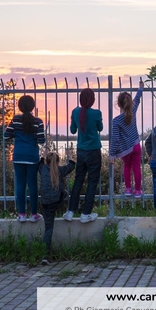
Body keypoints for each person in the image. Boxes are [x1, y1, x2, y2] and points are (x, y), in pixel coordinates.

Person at [63, 88, 103, 224]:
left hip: (81, 151)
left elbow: (73, 130)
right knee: (92, 182)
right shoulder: (97, 113)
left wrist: (72, 119)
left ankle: (70, 212)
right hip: (94, 152)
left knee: (78, 180)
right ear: (92, 100)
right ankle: (86, 213)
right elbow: (100, 128)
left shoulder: (75, 112)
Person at [4, 95, 46, 222]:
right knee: (32, 184)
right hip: (32, 156)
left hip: (18, 155)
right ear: (33, 106)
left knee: (20, 185)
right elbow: (41, 141)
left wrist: (16, 135)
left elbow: (6, 136)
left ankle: (21, 214)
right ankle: (34, 214)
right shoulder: (38, 122)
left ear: (20, 106)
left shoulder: (15, 120)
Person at [38, 148, 76, 264]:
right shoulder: (60, 170)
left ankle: (45, 255)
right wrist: (69, 156)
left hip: (45, 203)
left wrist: (43, 156)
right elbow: (72, 166)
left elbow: (39, 163)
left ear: (47, 162)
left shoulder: (43, 169)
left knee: (48, 228)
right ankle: (68, 211)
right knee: (65, 194)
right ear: (58, 162)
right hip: (57, 202)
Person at [110, 81, 144, 198]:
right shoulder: (133, 111)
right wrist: (140, 88)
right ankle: (138, 191)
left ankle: (128, 189)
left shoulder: (117, 120)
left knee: (127, 167)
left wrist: (111, 155)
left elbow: (115, 139)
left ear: (118, 104)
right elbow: (137, 99)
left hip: (125, 149)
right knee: (136, 168)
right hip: (136, 145)